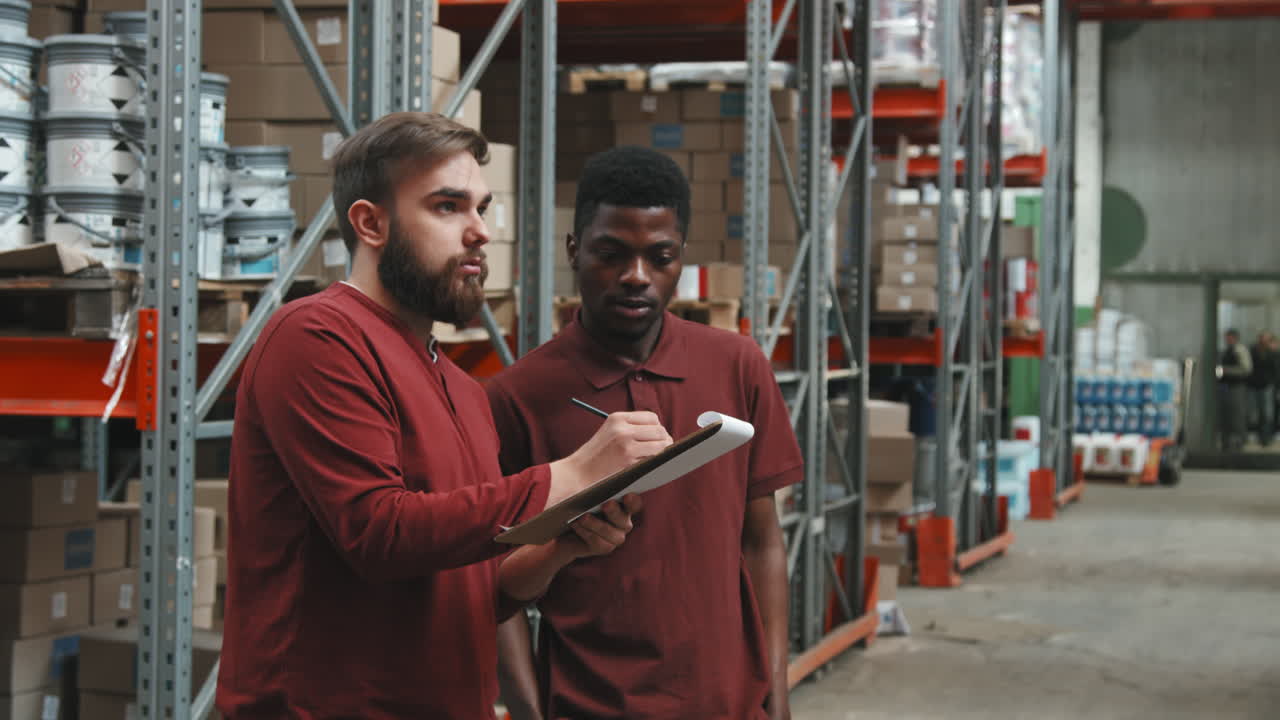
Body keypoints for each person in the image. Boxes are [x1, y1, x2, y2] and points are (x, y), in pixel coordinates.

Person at [216, 114, 674, 719]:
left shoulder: (461, 389)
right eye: (447, 207)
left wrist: (559, 548)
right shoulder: (317, 336)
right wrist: (573, 474)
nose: (479, 232)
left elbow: (467, 591)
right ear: (370, 223)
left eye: (482, 207)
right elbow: (377, 533)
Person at [487, 146, 803, 720]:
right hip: (589, 705)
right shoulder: (517, 396)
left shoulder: (736, 365)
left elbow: (762, 541)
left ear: (681, 258)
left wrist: (776, 699)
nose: (636, 277)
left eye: (660, 257)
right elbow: (492, 582)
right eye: (612, 254)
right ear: (574, 249)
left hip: (730, 706)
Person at [1218, 328, 1252, 451]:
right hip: (1226, 386)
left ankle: (1240, 442)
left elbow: (1246, 369)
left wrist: (1225, 370)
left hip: (1237, 386)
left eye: (1229, 337)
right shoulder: (1226, 350)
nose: (1227, 339)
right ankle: (1227, 443)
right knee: (1226, 416)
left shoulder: (1240, 350)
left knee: (1237, 416)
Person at [1248, 332, 1277, 446]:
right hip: (1254, 386)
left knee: (1267, 413)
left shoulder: (1272, 353)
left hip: (1266, 386)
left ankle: (1266, 437)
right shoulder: (1253, 351)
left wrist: (1273, 383)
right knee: (1255, 414)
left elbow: (1275, 370)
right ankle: (1258, 435)